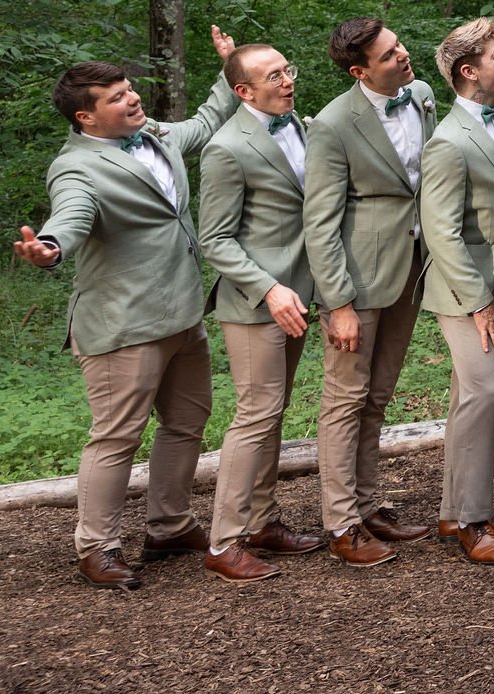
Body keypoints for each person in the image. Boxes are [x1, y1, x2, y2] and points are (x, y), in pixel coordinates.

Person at [13, 28, 238, 589]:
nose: (133, 98)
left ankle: (169, 525)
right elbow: (71, 214)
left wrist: (228, 69)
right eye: (117, 97)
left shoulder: (152, 133)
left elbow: (204, 123)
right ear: (86, 118)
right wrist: (50, 247)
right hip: (124, 324)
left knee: (186, 422)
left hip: (182, 313)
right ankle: (98, 547)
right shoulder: (76, 168)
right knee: (117, 437)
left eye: (129, 88)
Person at [301, 16, 439, 565]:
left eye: (398, 44)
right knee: (345, 399)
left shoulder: (422, 96)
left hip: (410, 270)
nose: (402, 55)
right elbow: (320, 222)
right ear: (360, 71)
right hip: (357, 282)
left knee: (378, 395)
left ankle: (367, 504)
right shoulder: (333, 125)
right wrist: (337, 303)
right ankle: (341, 524)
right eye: (388, 55)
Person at [195, 42, 326, 582]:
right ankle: (223, 542)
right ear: (243, 91)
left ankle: (262, 521)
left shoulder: (299, 126)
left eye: (287, 70)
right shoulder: (226, 149)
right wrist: (270, 290)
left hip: (301, 292)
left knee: (275, 409)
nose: (287, 81)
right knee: (255, 413)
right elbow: (215, 240)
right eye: (274, 76)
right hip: (256, 303)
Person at [418, 18, 494, 564]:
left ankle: (451, 510)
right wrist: (480, 302)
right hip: (466, 291)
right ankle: (472, 521)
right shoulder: (447, 142)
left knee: (469, 395)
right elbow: (441, 232)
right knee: (485, 390)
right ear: (468, 71)